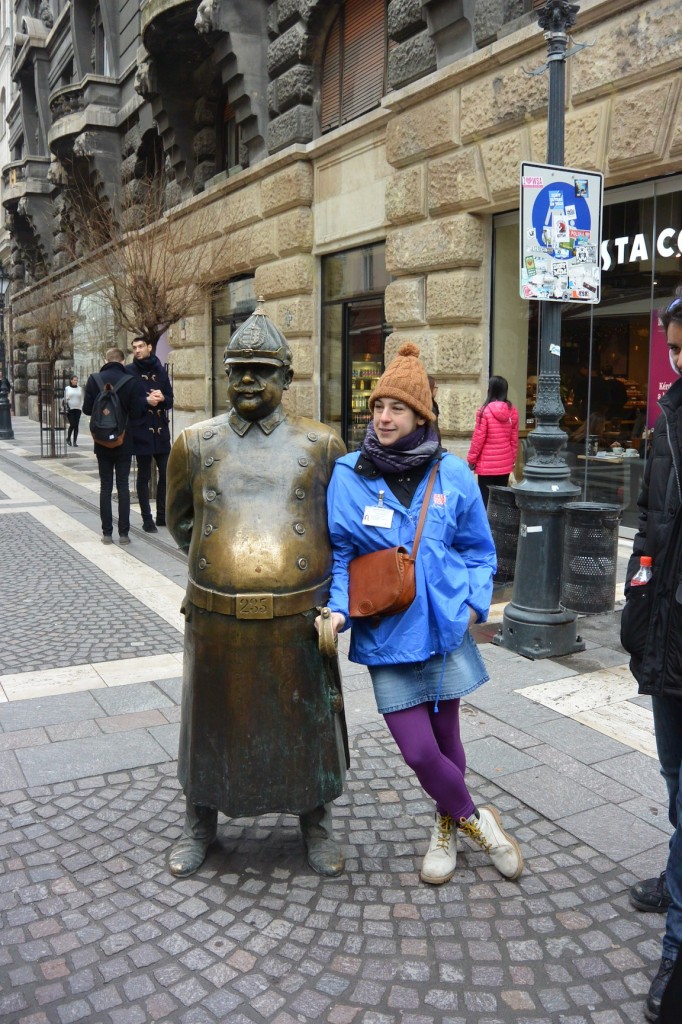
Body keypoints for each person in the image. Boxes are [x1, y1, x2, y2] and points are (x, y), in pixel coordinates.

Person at [317, 342, 523, 886]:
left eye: (397, 409)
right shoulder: (349, 473)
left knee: (447, 737)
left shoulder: (452, 473)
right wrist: (339, 611)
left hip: (446, 625)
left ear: (420, 416)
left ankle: (445, 828)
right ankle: (479, 822)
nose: (384, 418)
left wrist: (476, 601)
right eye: (379, 407)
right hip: (386, 629)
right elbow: (340, 553)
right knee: (416, 750)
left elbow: (480, 549)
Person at [165, 301, 348, 879]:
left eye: (261, 369)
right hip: (216, 617)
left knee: (306, 724)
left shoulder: (321, 444)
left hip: (298, 619)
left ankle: (314, 821)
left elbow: (338, 526)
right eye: (237, 368)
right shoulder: (194, 443)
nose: (247, 379)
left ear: (287, 378)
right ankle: (200, 821)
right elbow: (182, 522)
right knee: (209, 722)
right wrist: (221, 567)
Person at [620, 294, 682, 1023]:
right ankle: (676, 869)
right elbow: (648, 519)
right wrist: (635, 600)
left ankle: (676, 944)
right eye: (676, 346)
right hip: (668, 631)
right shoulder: (667, 424)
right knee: (672, 772)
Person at [83, 348, 149, 545]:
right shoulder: (131, 381)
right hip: (124, 440)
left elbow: (87, 410)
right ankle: (124, 534)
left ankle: (106, 533)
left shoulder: (94, 380)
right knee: (123, 486)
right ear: (123, 361)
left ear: (105, 360)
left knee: (105, 486)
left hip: (101, 441)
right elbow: (138, 412)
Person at [126, 337, 174, 532]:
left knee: (166, 472)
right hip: (142, 430)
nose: (137, 350)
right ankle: (147, 519)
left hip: (160, 430)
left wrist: (162, 398)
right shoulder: (129, 371)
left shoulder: (160, 369)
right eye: (134, 348)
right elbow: (128, 403)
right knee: (144, 475)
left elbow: (170, 400)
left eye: (140, 347)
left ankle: (162, 516)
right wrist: (146, 400)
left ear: (149, 347)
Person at [467, 375, 519, 507]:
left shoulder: (484, 411)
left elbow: (478, 439)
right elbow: (514, 440)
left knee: (485, 503)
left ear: (490, 390)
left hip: (486, 466)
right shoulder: (512, 411)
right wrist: (511, 460)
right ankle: (498, 527)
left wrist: (472, 460)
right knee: (500, 503)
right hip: (505, 465)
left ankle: (486, 528)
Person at [63, 375, 83, 446]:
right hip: (70, 408)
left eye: (77, 380)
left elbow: (81, 398)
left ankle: (75, 441)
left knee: (76, 425)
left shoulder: (80, 388)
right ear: (71, 381)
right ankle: (68, 438)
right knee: (72, 424)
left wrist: (81, 407)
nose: (76, 381)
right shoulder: (67, 388)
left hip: (78, 408)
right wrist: (66, 400)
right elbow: (64, 398)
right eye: (74, 380)